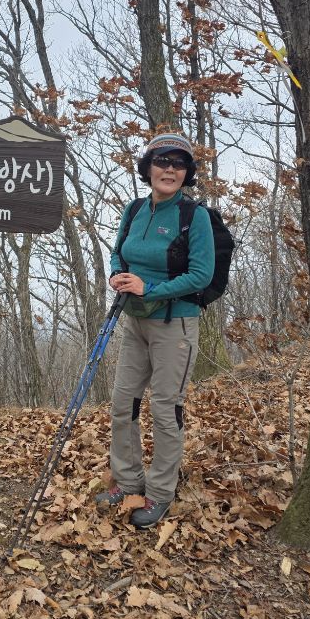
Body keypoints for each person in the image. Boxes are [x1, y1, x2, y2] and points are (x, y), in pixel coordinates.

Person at [95, 133, 215, 529]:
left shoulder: (193, 216)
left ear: (187, 173)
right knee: (123, 402)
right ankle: (128, 481)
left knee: (165, 408)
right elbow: (119, 251)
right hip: (135, 321)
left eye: (179, 164)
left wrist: (150, 289)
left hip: (175, 323)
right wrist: (117, 274)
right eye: (162, 161)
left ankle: (160, 492)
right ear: (148, 168)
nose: (170, 169)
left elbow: (201, 274)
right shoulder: (134, 209)